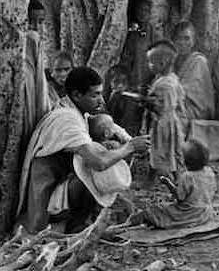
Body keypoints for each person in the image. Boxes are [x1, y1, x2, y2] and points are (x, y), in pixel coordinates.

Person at [15, 67, 152, 233]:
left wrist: (128, 140)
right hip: (47, 198)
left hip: (61, 184)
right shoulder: (67, 120)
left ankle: (80, 222)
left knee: (111, 153)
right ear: (77, 95)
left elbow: (110, 126)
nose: (101, 100)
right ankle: (74, 225)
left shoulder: (76, 110)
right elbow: (99, 163)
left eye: (101, 94)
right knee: (98, 174)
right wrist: (130, 147)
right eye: (95, 95)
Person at [128, 139, 219, 229]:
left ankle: (130, 222)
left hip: (189, 213)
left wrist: (167, 183)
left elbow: (180, 198)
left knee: (155, 210)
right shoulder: (209, 171)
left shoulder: (188, 176)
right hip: (205, 212)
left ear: (185, 161)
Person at [146, 40, 187, 178]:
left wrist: (146, 102)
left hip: (163, 123)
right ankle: (175, 174)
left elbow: (161, 107)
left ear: (162, 63)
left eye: (151, 62)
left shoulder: (165, 84)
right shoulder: (171, 78)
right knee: (170, 148)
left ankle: (154, 176)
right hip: (170, 120)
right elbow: (181, 98)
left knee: (159, 148)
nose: (149, 65)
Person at [20, 0, 52, 149]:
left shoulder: (36, 43)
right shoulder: (30, 39)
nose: (36, 27)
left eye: (40, 22)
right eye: (30, 21)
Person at [172, 21, 215, 121]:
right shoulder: (172, 61)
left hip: (195, 113)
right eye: (178, 38)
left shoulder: (199, 62)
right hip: (176, 107)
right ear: (173, 40)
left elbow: (187, 92)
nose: (182, 43)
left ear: (193, 41)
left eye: (187, 38)